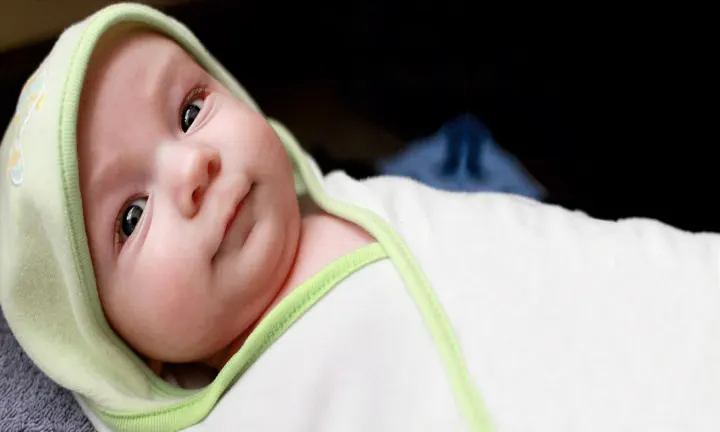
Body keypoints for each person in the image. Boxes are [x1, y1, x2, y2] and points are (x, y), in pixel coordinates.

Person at [2, 4, 720, 432]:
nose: (194, 168)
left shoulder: (367, 202)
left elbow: (543, 263)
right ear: (107, 339)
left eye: (190, 112)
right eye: (130, 216)